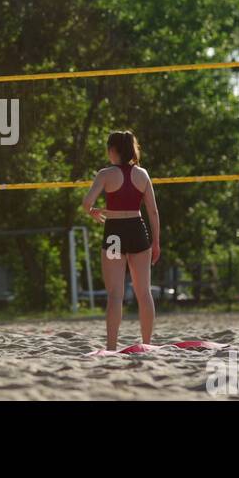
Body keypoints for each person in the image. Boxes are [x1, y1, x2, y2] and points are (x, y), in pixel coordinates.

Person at [81, 130, 161, 351]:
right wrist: (156, 243)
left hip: (115, 232)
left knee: (115, 294)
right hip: (137, 230)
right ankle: (147, 345)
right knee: (143, 293)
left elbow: (87, 203)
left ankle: (111, 347)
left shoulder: (105, 174)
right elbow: (153, 212)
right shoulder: (143, 174)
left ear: (112, 150)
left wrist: (94, 212)